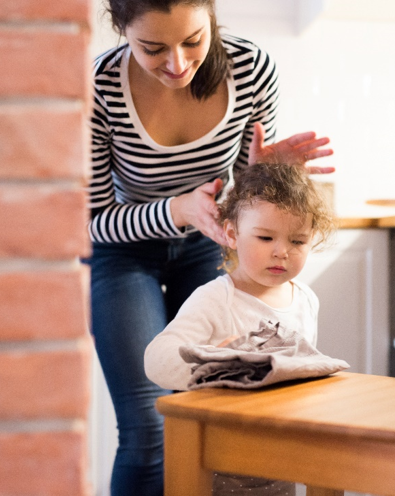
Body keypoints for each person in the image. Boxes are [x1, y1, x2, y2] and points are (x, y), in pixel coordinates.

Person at [85, 0, 334, 494]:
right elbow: (90, 222)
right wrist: (177, 210)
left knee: (217, 416)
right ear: (121, 29)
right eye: (152, 48)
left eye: (193, 41)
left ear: (212, 17)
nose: (176, 64)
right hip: (123, 253)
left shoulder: (251, 70)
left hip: (207, 246)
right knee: (147, 426)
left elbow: (242, 207)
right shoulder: (100, 88)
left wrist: (259, 174)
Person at [144, 162, 335, 495]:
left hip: (280, 459)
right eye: (265, 237)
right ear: (231, 234)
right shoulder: (216, 298)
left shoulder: (306, 300)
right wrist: (214, 362)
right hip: (221, 464)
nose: (282, 251)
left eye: (298, 241)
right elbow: (156, 360)